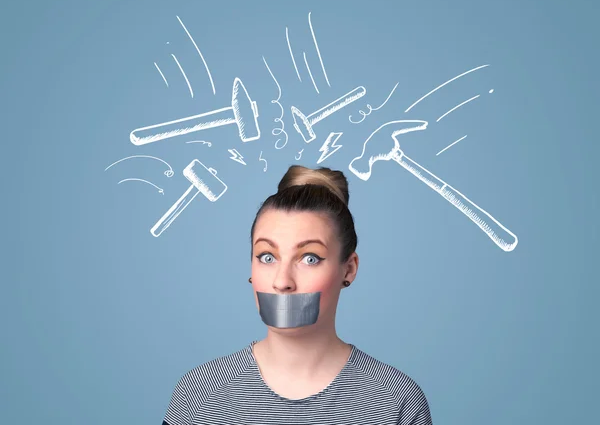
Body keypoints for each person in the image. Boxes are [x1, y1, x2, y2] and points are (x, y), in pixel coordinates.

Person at [162, 165, 433, 425]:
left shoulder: (397, 402)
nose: (282, 282)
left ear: (348, 270)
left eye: (310, 258)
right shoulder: (197, 396)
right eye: (267, 257)